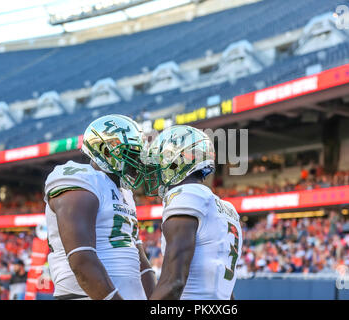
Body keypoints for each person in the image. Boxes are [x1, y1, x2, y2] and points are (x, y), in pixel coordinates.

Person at [44, 114, 156, 300]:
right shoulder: (81, 178)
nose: (138, 163)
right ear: (105, 151)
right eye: (133, 155)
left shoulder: (125, 193)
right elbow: (81, 261)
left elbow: (140, 260)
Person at [143, 125, 243, 300]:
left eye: (159, 163)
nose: (156, 171)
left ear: (175, 163)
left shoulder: (186, 196)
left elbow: (173, 283)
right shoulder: (227, 209)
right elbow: (227, 290)